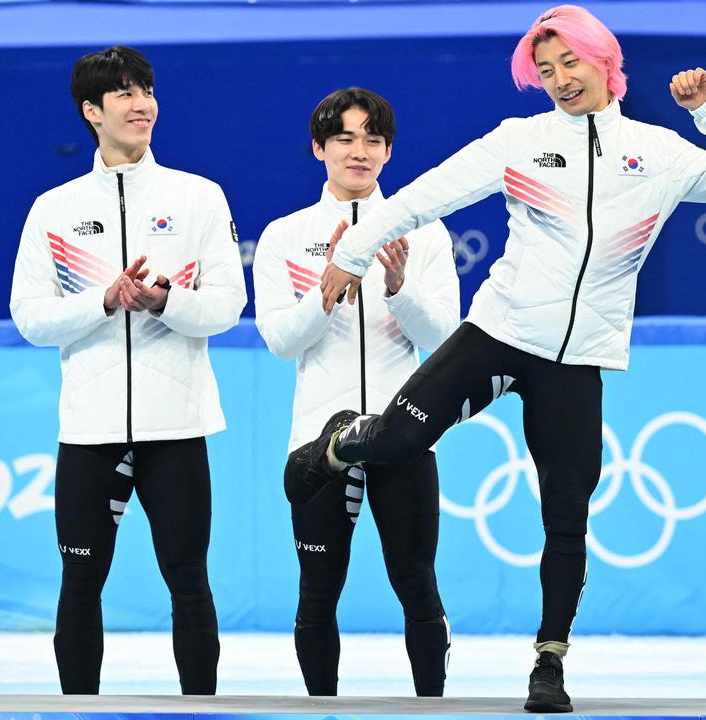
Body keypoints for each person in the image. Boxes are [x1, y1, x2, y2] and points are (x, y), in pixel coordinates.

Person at [291, 4, 706, 712]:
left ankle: (550, 663)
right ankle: (331, 451)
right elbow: (423, 199)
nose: (559, 79)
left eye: (570, 63)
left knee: (568, 514)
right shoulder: (521, 140)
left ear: (605, 61)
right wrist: (354, 254)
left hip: (577, 359)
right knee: (394, 442)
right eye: (544, 70)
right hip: (501, 333)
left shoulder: (659, 152)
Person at [9, 45, 246, 695]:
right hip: (90, 432)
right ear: (92, 111)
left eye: (146, 89)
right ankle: (74, 712)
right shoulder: (53, 209)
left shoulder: (198, 197)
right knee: (80, 581)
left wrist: (166, 300)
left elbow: (228, 307)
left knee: (188, 580)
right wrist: (103, 300)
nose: (142, 104)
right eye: (124, 93)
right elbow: (29, 317)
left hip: (178, 427)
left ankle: (203, 712)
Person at [253, 87, 459, 697]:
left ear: (389, 151)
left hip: (403, 432)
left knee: (417, 582)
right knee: (318, 589)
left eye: (372, 139)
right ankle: (321, 709)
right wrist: (326, 290)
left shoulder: (424, 233)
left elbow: (445, 340)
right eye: (344, 138)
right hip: (321, 439)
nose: (359, 151)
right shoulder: (284, 236)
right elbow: (281, 342)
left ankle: (434, 712)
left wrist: (399, 286)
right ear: (319, 148)